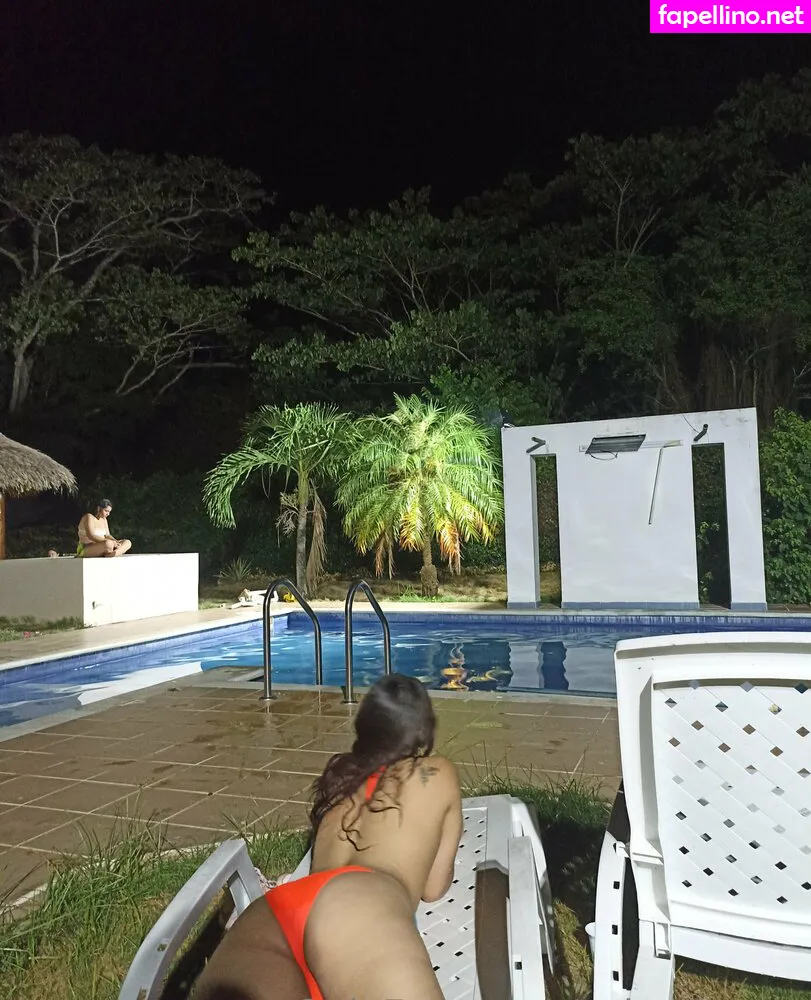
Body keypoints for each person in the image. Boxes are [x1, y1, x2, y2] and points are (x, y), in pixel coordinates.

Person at [193, 673, 463, 1000]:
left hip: (277, 911)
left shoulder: (342, 782)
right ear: (423, 729)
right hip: (357, 906)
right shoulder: (435, 772)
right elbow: (433, 888)